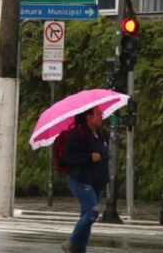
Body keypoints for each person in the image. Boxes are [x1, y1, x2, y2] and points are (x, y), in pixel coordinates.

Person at [61, 106, 108, 253]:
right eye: (98, 113)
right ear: (88, 116)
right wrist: (89, 157)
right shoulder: (77, 134)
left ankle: (79, 250)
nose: (102, 115)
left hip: (97, 182)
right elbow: (67, 157)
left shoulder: (101, 134)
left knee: (86, 218)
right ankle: (71, 242)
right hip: (81, 180)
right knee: (93, 213)